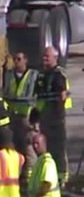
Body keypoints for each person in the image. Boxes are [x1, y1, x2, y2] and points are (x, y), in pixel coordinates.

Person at [32, 46, 72, 187]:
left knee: (58, 148)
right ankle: (48, 176)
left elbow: (63, 96)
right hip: (44, 118)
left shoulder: (59, 75)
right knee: (45, 148)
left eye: (47, 56)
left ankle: (61, 178)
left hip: (56, 117)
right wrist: (34, 117)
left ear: (55, 58)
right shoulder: (41, 75)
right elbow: (38, 99)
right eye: (44, 56)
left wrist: (57, 116)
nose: (44, 58)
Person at [1, 52, 38, 185]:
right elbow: (5, 93)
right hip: (12, 116)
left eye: (19, 59)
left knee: (28, 146)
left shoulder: (33, 75)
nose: (16, 61)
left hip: (27, 116)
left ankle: (29, 177)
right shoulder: (9, 75)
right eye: (14, 59)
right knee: (14, 145)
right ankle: (16, 175)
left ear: (25, 60)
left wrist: (34, 119)